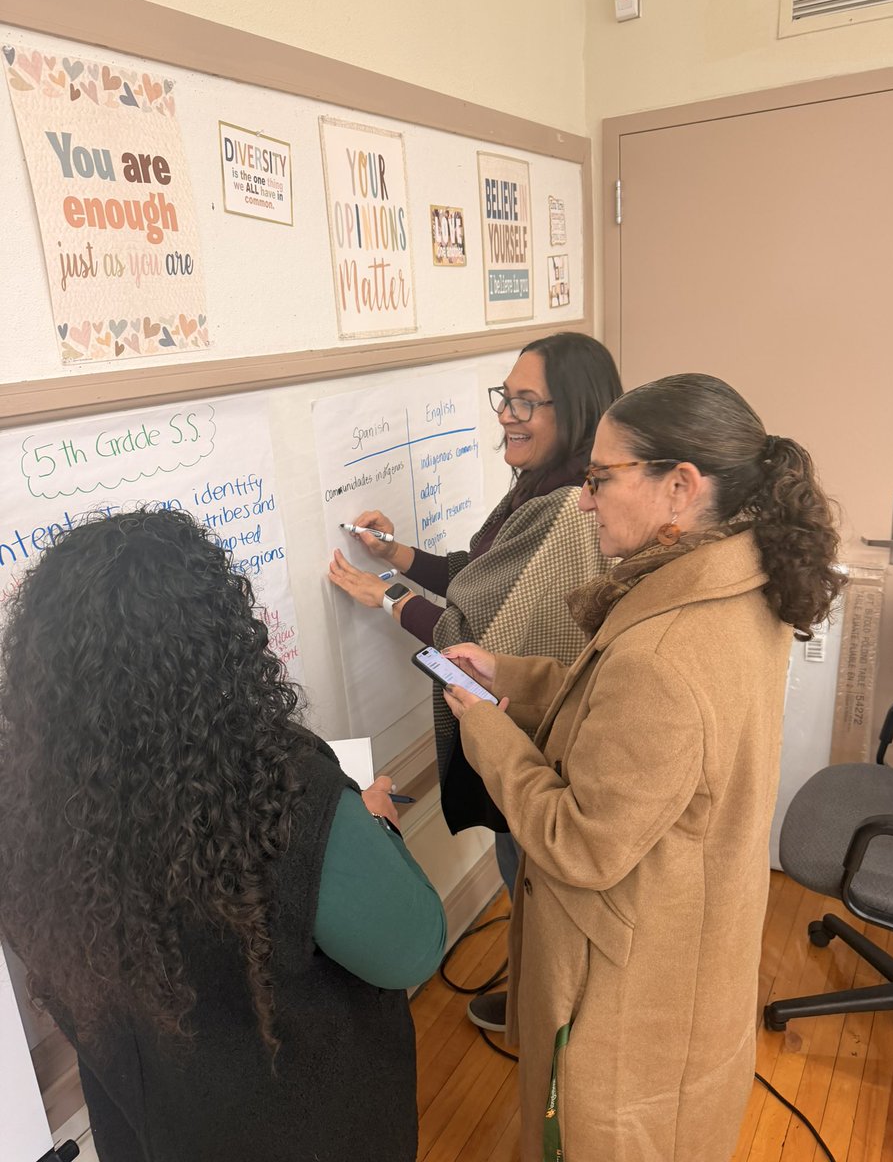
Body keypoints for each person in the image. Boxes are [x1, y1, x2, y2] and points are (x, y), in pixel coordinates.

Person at [441, 373, 845, 1162]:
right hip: (694, 943)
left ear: (679, 488)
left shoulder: (664, 650)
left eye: (600, 479)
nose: (584, 500)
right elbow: (619, 723)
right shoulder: (733, 580)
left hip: (627, 984)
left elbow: (581, 843)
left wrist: (485, 733)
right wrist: (509, 676)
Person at [0, 508, 446, 1162]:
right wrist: (374, 823)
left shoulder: (27, 800)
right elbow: (412, 950)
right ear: (221, 642)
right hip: (302, 1131)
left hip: (153, 1128)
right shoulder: (283, 795)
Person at [327, 332, 622, 1031]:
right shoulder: (544, 487)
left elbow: (487, 641)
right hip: (521, 739)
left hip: (533, 746)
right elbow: (483, 579)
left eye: (527, 401)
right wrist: (397, 555)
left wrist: (390, 599)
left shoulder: (564, 511)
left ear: (574, 410)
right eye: (504, 398)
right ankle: (538, 1009)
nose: (506, 415)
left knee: (538, 884)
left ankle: (556, 1028)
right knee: (526, 882)